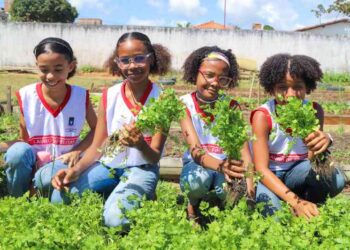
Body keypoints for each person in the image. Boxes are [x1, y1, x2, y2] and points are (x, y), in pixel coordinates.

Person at [51, 32, 171, 229]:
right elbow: (98, 145)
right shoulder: (110, 95)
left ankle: (139, 193)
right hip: (108, 166)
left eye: (140, 58)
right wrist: (76, 170)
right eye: (125, 60)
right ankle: (115, 192)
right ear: (118, 63)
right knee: (58, 198)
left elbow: (154, 157)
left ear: (152, 58)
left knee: (115, 221)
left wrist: (140, 145)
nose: (132, 66)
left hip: (141, 168)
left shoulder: (163, 99)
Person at [251, 53, 345, 219]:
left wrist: (326, 140)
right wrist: (295, 202)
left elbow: (311, 157)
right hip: (269, 175)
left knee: (336, 179)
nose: (291, 94)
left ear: (307, 87)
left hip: (298, 172)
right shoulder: (262, 116)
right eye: (282, 87)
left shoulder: (314, 110)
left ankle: (309, 204)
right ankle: (295, 203)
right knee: (277, 216)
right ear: (271, 88)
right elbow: (261, 169)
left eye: (298, 86)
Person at [0, 37, 97, 197]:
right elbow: (23, 141)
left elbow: (96, 130)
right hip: (33, 159)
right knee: (16, 153)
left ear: (70, 66)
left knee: (47, 176)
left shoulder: (80, 96)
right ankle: (17, 198)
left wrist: (77, 151)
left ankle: (36, 189)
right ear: (37, 67)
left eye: (58, 69)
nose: (50, 76)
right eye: (44, 69)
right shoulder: (26, 95)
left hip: (63, 160)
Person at [179, 46, 254, 223]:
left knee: (231, 191)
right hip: (197, 165)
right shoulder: (184, 105)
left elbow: (244, 150)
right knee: (197, 182)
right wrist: (222, 166)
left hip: (226, 165)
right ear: (195, 72)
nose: (214, 83)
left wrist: (250, 191)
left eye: (222, 79)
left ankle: (220, 205)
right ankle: (192, 209)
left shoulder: (232, 106)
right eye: (209, 75)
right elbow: (196, 151)